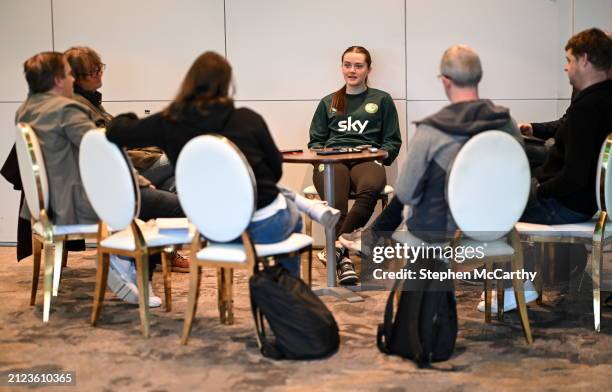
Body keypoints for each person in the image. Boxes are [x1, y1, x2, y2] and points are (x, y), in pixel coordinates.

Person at [339, 44, 530, 311]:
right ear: (478, 77)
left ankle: (374, 241)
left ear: (446, 81)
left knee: (424, 184)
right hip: (499, 223)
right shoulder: (505, 121)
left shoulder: (433, 130)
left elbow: (405, 192)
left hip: (446, 232)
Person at [106, 51, 306, 276]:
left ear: (189, 82)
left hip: (214, 230)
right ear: (227, 84)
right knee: (293, 214)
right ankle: (287, 289)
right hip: (264, 225)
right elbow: (275, 171)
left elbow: (115, 132)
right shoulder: (247, 118)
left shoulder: (168, 122)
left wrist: (130, 117)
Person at [15, 51, 161, 307]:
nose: (73, 78)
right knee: (173, 205)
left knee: (162, 198)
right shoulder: (65, 110)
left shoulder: (26, 111)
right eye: (69, 73)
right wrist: (138, 182)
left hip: (49, 206)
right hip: (78, 205)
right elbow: (103, 153)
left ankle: (130, 262)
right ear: (58, 80)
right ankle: (120, 261)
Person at [63, 47, 189, 274]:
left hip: (128, 167)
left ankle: (159, 249)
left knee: (175, 180)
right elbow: (105, 153)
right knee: (184, 156)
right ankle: (162, 249)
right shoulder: (78, 108)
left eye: (99, 68)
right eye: (95, 70)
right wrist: (147, 161)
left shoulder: (89, 102)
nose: (100, 74)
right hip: (119, 175)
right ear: (82, 77)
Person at [308, 45, 402, 285]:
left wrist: (381, 156)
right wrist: (324, 153)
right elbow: (315, 141)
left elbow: (392, 141)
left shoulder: (381, 100)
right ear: (341, 67)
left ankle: (335, 248)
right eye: (347, 65)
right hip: (333, 161)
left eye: (358, 65)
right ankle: (345, 259)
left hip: (366, 160)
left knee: (371, 188)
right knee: (335, 199)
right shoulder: (328, 101)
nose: (352, 70)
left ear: (369, 69)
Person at [520, 28, 612, 225]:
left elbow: (573, 177)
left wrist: (538, 190)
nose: (565, 67)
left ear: (584, 60)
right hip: (581, 203)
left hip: (562, 205)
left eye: (569, 60)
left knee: (487, 200)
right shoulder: (603, 99)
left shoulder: (587, 108)